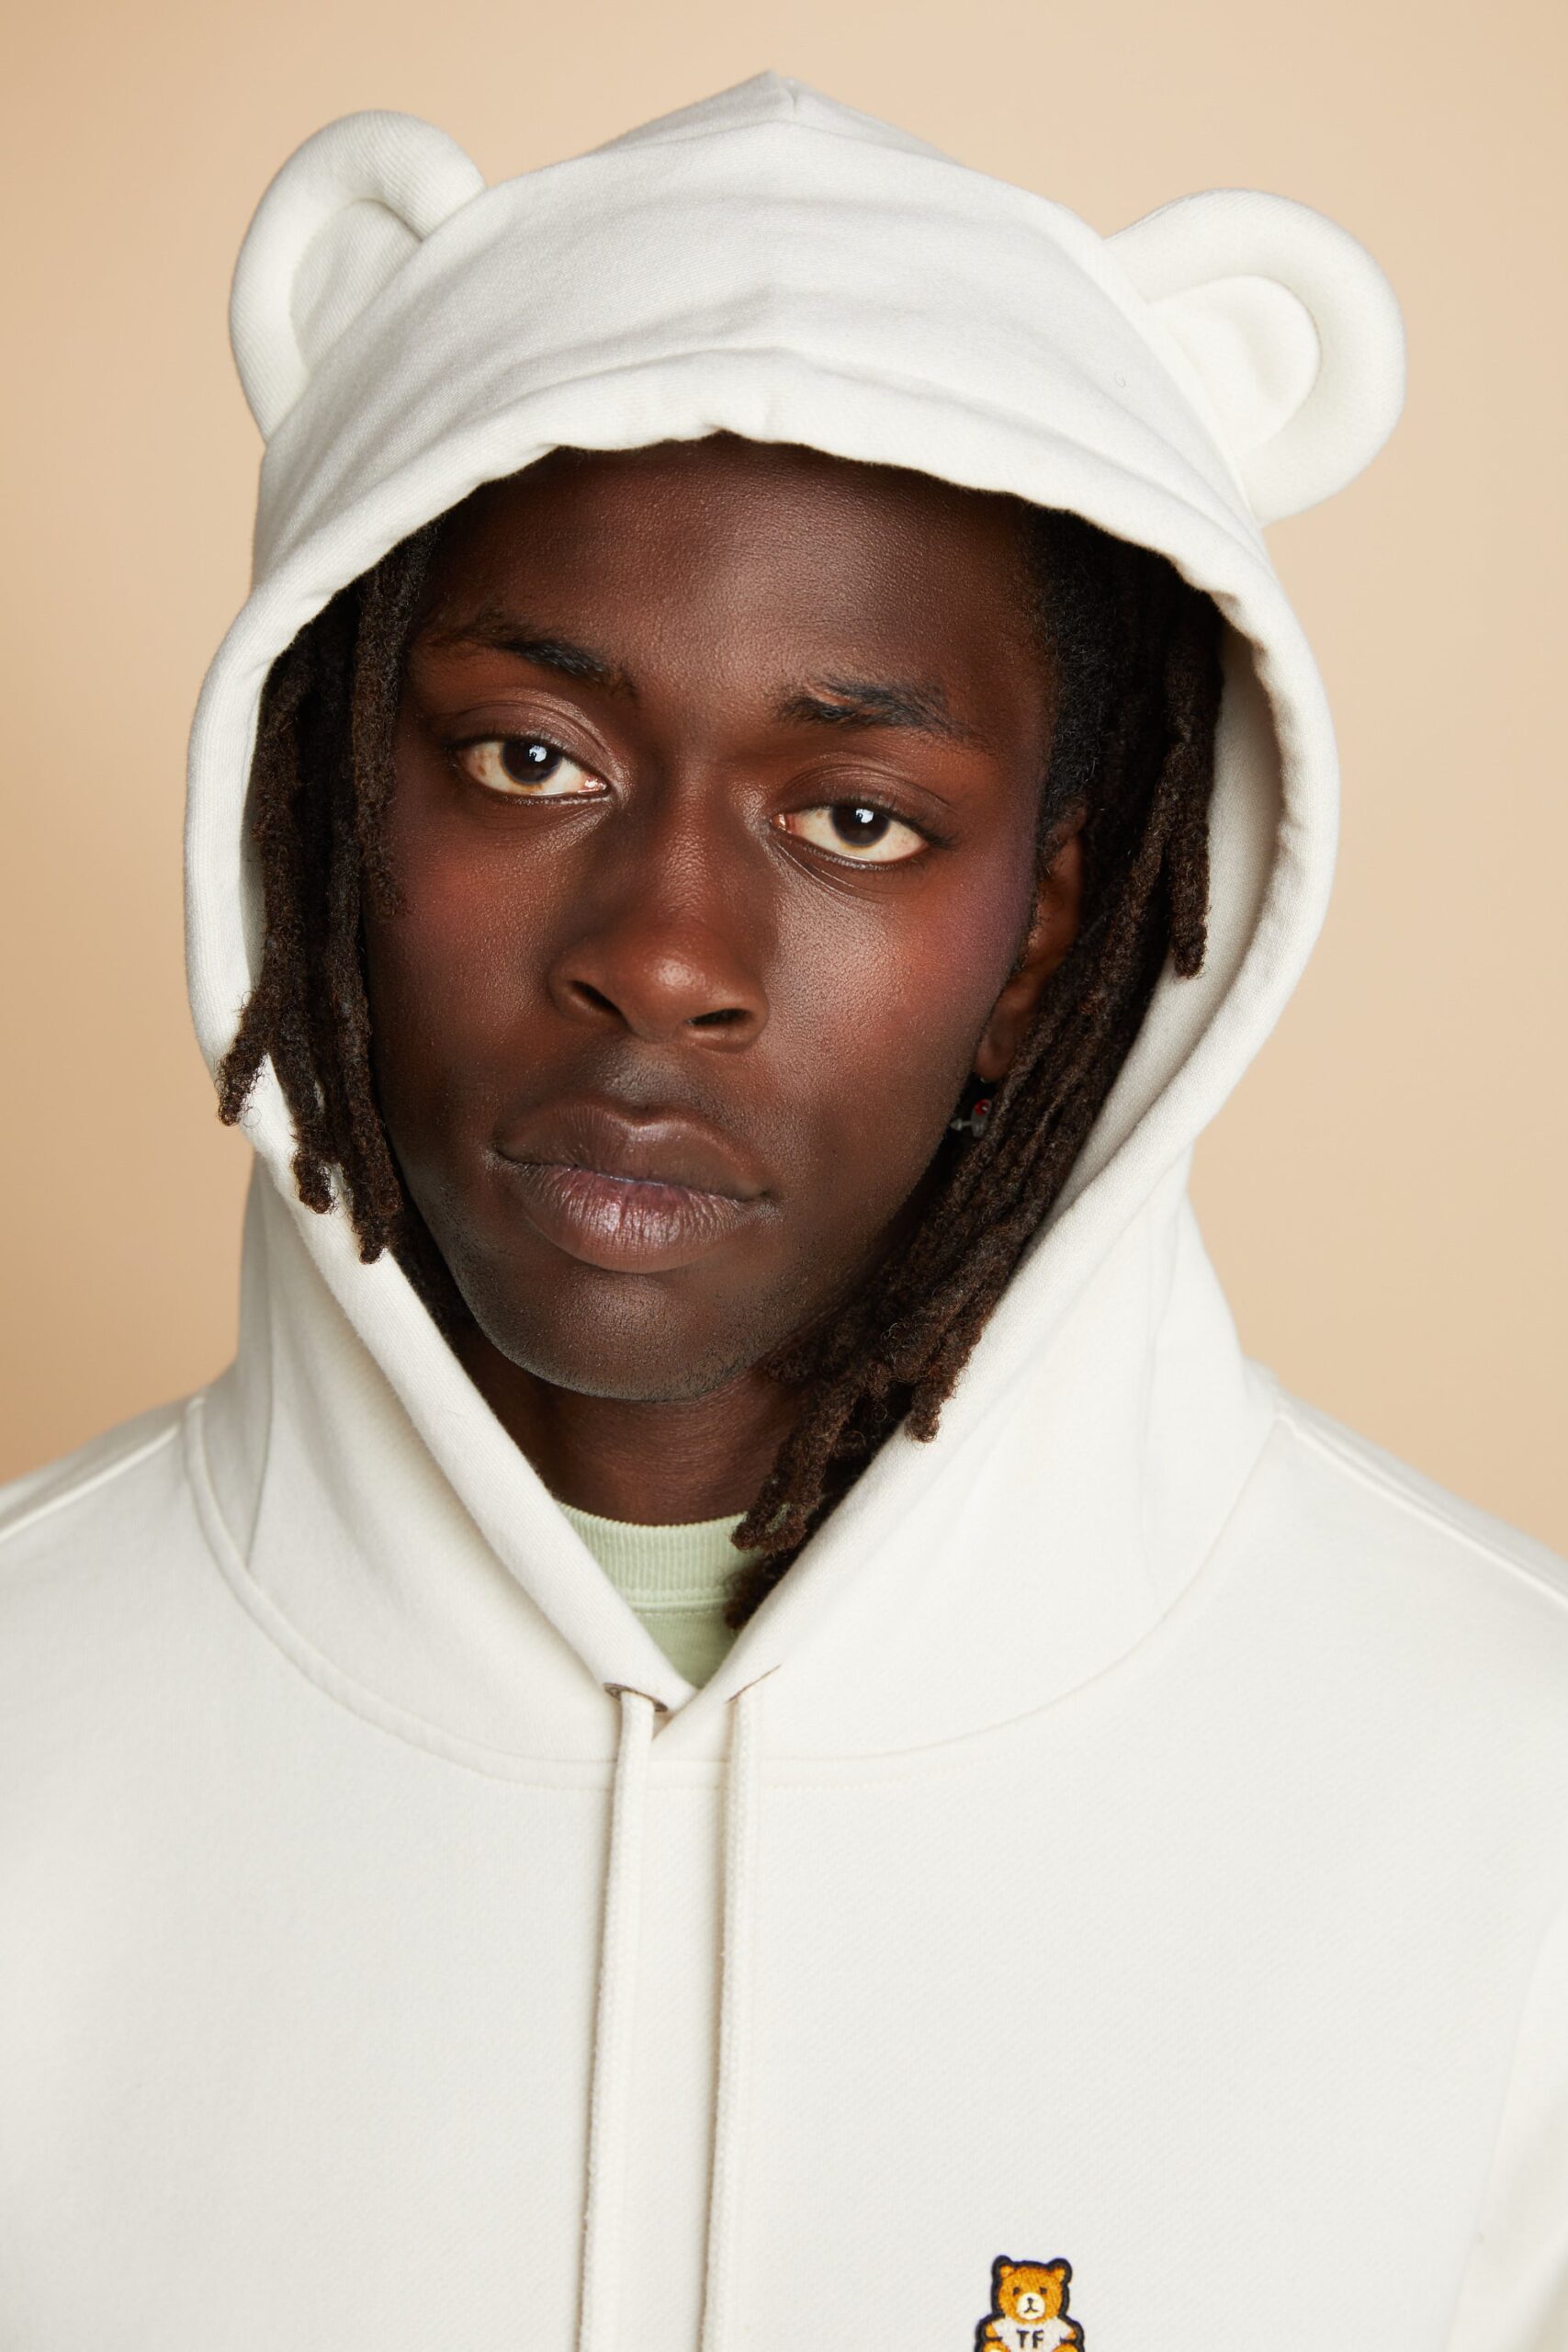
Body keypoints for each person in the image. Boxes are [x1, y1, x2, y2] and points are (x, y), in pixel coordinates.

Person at [1, 71, 1562, 2352]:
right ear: (316, 810)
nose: (661, 953)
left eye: (853, 817)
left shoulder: (1508, 1799)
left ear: (1042, 935)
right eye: (531, 757)